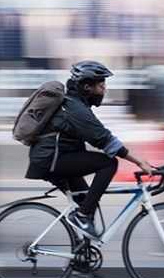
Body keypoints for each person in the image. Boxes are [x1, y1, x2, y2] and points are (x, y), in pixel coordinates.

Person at [25, 60, 154, 243]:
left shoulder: (76, 104)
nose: (104, 90)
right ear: (87, 86)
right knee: (109, 163)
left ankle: (82, 262)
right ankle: (82, 217)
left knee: (88, 202)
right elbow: (105, 140)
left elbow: (99, 136)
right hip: (50, 161)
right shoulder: (75, 109)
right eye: (101, 85)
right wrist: (139, 162)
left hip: (55, 159)